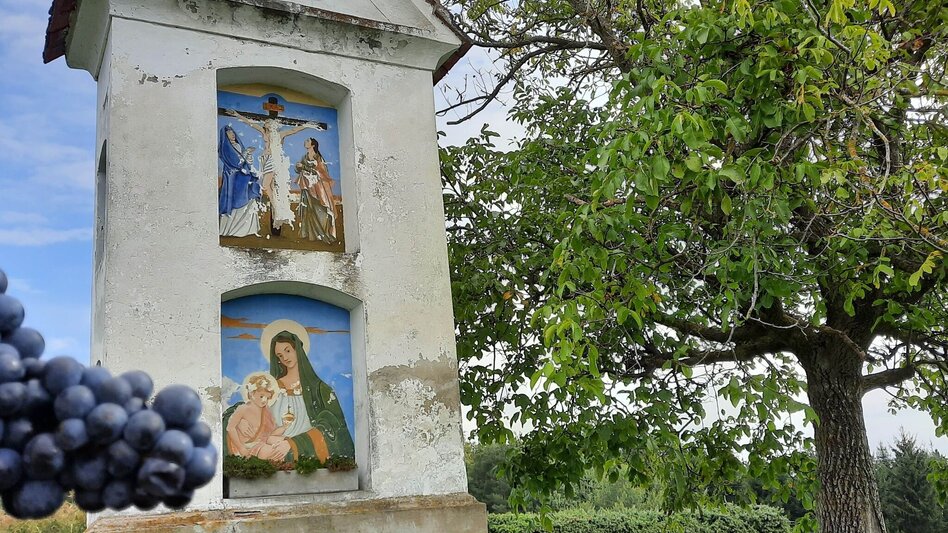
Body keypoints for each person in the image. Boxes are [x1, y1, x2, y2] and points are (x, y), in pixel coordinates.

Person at [269, 330, 354, 461]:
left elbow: (333, 426)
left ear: (297, 350)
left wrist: (293, 444)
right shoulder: (272, 389)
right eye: (280, 355)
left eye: (288, 351)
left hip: (306, 453)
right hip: (275, 447)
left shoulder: (320, 390)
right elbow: (258, 416)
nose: (285, 358)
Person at [227, 109, 317, 235]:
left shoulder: (280, 135)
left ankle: (278, 209)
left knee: (265, 185)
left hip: (273, 160)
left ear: (274, 125)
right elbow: (250, 123)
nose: (267, 124)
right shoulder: (264, 132)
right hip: (264, 160)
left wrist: (306, 125)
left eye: (269, 123)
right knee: (272, 189)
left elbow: (293, 130)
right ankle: (277, 213)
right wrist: (237, 115)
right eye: (266, 123)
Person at [225, 372, 293, 461]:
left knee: (285, 441)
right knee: (274, 452)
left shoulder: (266, 411)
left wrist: (284, 426)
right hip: (247, 446)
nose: (264, 400)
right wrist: (241, 448)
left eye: (267, 397)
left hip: (262, 440)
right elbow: (230, 428)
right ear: (252, 393)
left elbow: (272, 433)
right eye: (261, 396)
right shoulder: (243, 409)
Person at [218, 125, 261, 237]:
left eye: (233, 132)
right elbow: (236, 162)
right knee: (232, 200)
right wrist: (246, 154)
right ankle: (230, 230)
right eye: (229, 133)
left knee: (250, 193)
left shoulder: (237, 145)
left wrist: (249, 157)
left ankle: (247, 228)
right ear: (225, 136)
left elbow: (245, 162)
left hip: (243, 177)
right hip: (232, 177)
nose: (232, 134)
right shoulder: (225, 147)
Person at [295, 138, 339, 243]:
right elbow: (299, 170)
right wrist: (298, 167)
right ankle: (312, 234)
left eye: (307, 141)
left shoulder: (318, 157)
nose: (305, 142)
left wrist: (304, 167)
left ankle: (323, 233)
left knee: (320, 209)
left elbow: (322, 172)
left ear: (313, 145)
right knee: (309, 209)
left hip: (318, 188)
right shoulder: (304, 157)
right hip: (307, 186)